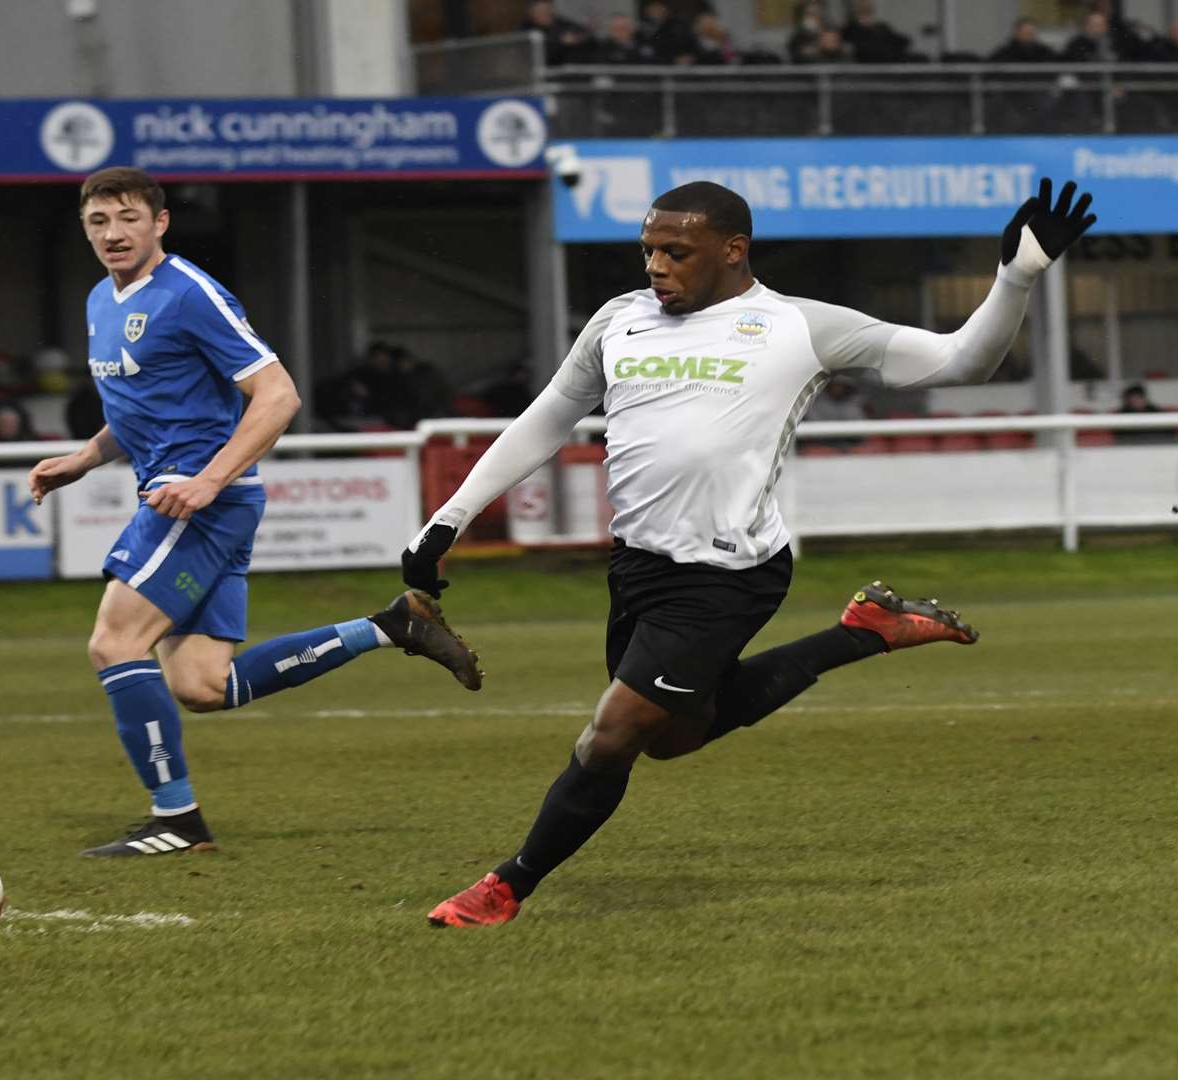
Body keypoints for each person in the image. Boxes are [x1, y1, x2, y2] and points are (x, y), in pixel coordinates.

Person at [410, 177, 1096, 926]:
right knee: (671, 738)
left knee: (612, 735)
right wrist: (448, 520)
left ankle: (507, 885)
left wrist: (1015, 279)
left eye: (676, 251)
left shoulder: (800, 326)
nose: (655, 267)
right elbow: (544, 421)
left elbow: (961, 361)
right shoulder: (619, 322)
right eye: (648, 251)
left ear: (733, 251)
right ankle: (862, 632)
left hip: (727, 572)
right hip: (637, 568)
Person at [26, 167, 485, 858]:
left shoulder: (191, 294)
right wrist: (83, 459)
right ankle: (392, 627)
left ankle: (176, 819)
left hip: (199, 501)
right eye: (98, 222)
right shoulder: (102, 300)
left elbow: (277, 395)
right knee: (204, 685)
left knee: (114, 642)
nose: (114, 234)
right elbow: (143, 409)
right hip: (195, 497)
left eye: (128, 218)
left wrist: (209, 481)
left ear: (160, 223)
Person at [520, 0, 592, 67]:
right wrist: (561, 43)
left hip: (572, 67)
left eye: (547, 12)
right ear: (532, 13)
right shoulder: (525, 29)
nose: (544, 15)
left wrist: (578, 37)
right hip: (543, 70)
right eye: (540, 13)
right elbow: (537, 54)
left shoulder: (561, 23)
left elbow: (582, 32)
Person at [841, 0, 913, 63]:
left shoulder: (882, 27)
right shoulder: (851, 29)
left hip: (889, 62)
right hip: (867, 63)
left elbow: (902, 40)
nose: (865, 7)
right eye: (861, 4)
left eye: (868, 5)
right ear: (856, 9)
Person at [991, 17, 1058, 63]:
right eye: (1027, 32)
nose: (1030, 35)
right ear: (1016, 32)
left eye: (1032, 32)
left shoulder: (1044, 52)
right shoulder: (1004, 53)